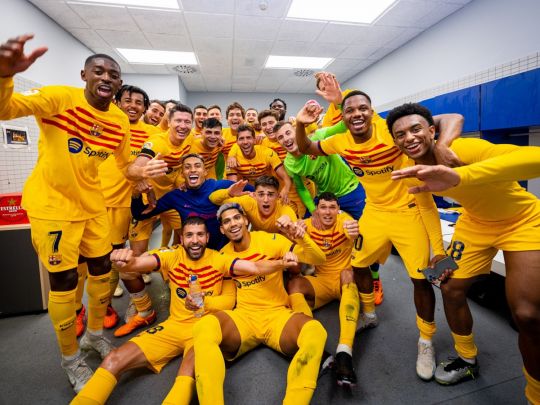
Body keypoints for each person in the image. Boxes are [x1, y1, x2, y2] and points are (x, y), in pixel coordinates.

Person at [0, 33, 167, 393]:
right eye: (99, 72)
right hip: (53, 206)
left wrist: (143, 170)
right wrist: (5, 76)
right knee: (63, 280)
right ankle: (70, 357)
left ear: (119, 84)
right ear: (84, 75)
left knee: (103, 270)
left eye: (114, 75)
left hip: (93, 206)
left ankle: (93, 335)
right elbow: (6, 109)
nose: (106, 78)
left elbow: (125, 167)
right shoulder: (60, 98)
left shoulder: (119, 121)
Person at [295, 83, 463, 381]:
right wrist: (299, 124)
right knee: (358, 264)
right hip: (374, 212)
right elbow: (306, 148)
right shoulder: (340, 141)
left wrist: (442, 144)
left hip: (408, 212)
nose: (357, 114)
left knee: (420, 279)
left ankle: (426, 340)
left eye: (363, 108)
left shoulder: (390, 131)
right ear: (342, 117)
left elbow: (452, 118)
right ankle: (369, 314)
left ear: (372, 112)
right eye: (350, 110)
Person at [387, 102, 540, 402]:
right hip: (474, 223)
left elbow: (536, 158)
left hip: (522, 221)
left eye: (416, 129)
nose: (409, 137)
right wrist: (438, 250)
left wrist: (461, 175)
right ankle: (467, 358)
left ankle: (535, 394)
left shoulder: (464, 149)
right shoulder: (411, 169)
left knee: (527, 314)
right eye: (400, 134)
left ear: (432, 131)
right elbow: (427, 207)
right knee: (450, 287)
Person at [71, 216, 295, 405]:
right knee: (114, 359)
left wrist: (281, 263)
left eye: (200, 235)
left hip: (205, 332)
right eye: (189, 235)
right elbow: (137, 265)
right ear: (182, 238)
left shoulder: (220, 259)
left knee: (185, 376)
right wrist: (124, 260)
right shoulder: (172, 255)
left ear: (207, 238)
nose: (195, 240)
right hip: (174, 326)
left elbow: (254, 267)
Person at [193, 203, 328, 405]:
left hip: (277, 316)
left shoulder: (270, 240)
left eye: (237, 218)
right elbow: (229, 299)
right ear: (221, 229)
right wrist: (205, 302)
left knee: (316, 332)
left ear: (246, 220)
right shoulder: (223, 255)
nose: (233, 224)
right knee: (203, 326)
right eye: (227, 222)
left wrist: (302, 238)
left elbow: (319, 258)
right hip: (244, 318)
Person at [115, 103, 194, 337]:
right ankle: (142, 307)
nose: (183, 125)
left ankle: (177, 284)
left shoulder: (189, 141)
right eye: (178, 120)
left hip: (171, 201)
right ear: (168, 122)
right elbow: (134, 168)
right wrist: (142, 173)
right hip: (146, 202)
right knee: (133, 261)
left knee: (185, 245)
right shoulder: (157, 142)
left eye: (187, 121)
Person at [287, 192, 362, 386]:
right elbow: (294, 261)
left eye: (332, 207)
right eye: (323, 207)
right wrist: (296, 238)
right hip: (322, 281)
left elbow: (352, 230)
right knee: (294, 284)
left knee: (348, 273)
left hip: (345, 281)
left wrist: (353, 231)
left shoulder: (345, 221)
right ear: (316, 210)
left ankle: (345, 352)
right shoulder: (306, 226)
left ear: (338, 210)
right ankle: (312, 344)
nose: (328, 212)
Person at [132, 153, 253, 250]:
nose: (192, 170)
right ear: (182, 174)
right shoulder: (176, 196)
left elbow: (256, 191)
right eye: (187, 167)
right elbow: (140, 214)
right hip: (194, 253)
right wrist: (136, 193)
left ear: (205, 172)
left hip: (226, 251)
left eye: (197, 166)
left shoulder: (221, 185)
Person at [226, 124, 293, 204]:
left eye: (248, 138)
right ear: (237, 142)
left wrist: (285, 190)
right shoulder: (232, 159)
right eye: (241, 138)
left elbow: (286, 177)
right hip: (247, 192)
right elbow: (233, 186)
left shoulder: (267, 153)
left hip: (267, 190)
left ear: (254, 140)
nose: (245, 142)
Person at [209, 175, 297, 234]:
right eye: (261, 194)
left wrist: (289, 222)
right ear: (254, 195)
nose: (266, 200)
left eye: (270, 195)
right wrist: (229, 193)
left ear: (278, 196)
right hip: (256, 241)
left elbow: (294, 228)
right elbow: (213, 199)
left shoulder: (284, 208)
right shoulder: (248, 201)